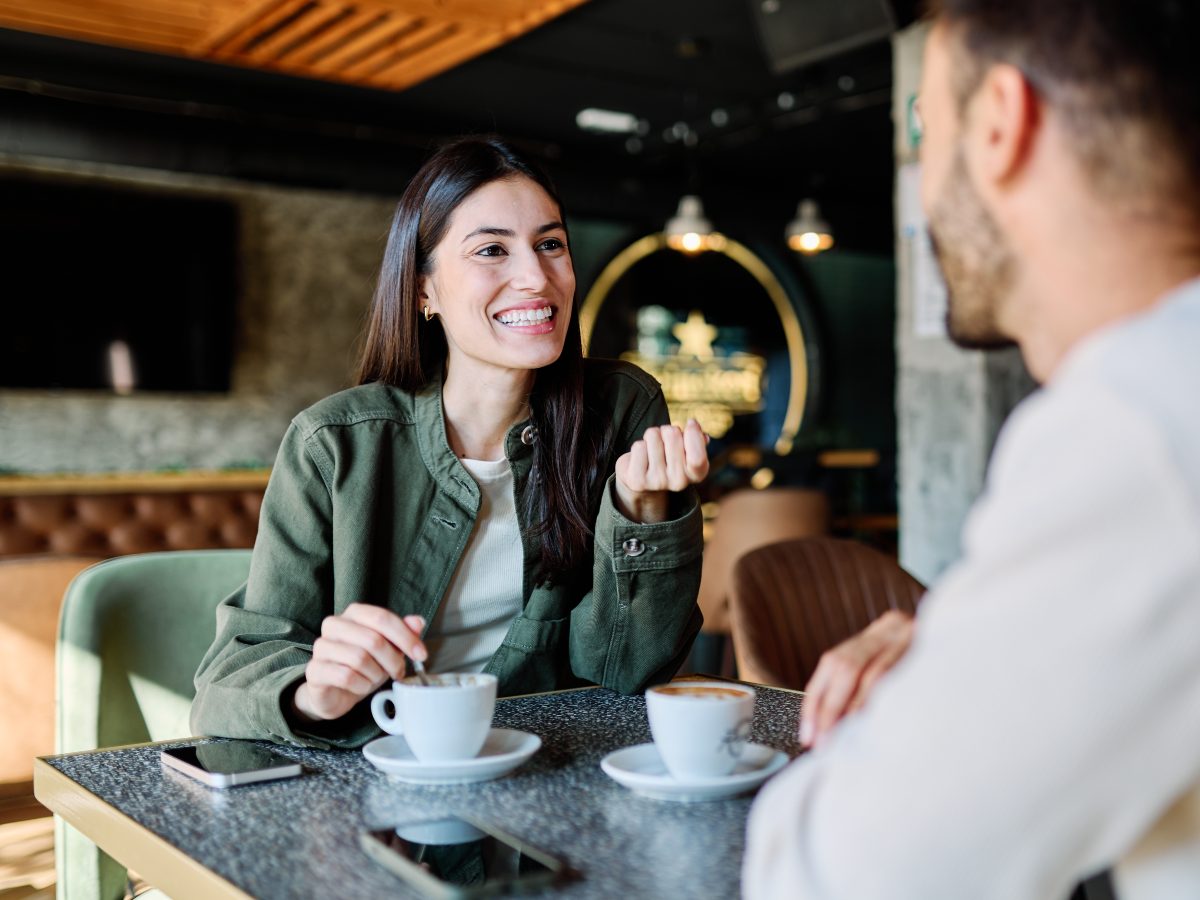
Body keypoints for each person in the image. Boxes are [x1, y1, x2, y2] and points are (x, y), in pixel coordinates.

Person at [745, 1, 1200, 897]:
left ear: (999, 122)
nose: (922, 188)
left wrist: (933, 693)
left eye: (924, 128)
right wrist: (972, 642)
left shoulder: (1136, 423)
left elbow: (836, 876)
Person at [191, 137, 708, 748]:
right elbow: (227, 685)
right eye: (492, 250)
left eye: (551, 245)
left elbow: (626, 674)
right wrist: (313, 692)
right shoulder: (333, 444)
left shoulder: (621, 407)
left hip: (552, 765)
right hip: (376, 765)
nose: (535, 278)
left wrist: (641, 513)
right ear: (423, 290)